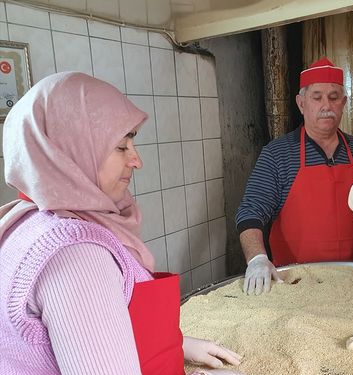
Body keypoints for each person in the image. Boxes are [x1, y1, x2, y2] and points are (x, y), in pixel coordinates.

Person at [0, 72, 243, 375]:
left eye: (132, 142)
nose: (136, 160)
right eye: (120, 147)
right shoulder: (77, 256)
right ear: (72, 149)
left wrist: (176, 345)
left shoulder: (26, 219)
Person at [236, 57, 353, 295]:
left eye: (333, 98)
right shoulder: (277, 154)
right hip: (295, 283)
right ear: (301, 104)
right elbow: (251, 212)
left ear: (343, 103)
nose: (326, 105)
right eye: (317, 97)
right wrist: (257, 258)